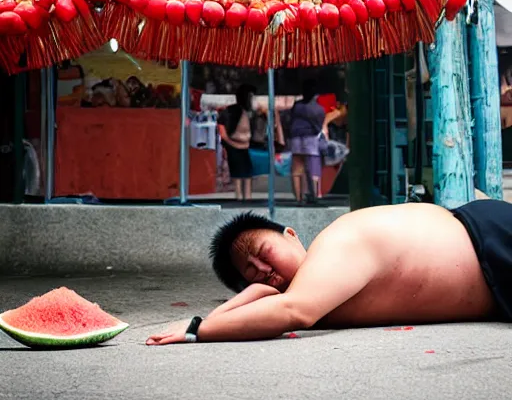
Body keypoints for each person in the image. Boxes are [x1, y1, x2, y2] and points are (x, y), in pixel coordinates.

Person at [146, 199, 512, 345]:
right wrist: (255, 293)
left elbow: (293, 312)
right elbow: (280, 307)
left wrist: (197, 329)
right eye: (252, 273)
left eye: (262, 253)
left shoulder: (334, 242)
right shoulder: (319, 292)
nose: (265, 271)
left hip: (489, 239)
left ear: (291, 235)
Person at [289, 80, 326, 203]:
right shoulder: (318, 109)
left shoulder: (297, 106)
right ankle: (314, 195)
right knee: (314, 166)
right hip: (311, 137)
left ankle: (299, 198)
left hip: (295, 137)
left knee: (297, 167)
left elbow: (290, 120)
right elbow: (319, 125)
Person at [217, 84, 256, 201]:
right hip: (235, 145)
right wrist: (228, 140)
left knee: (245, 172)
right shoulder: (232, 111)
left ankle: (244, 196)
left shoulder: (247, 112)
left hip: (243, 145)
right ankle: (241, 196)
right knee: (240, 172)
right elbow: (222, 126)